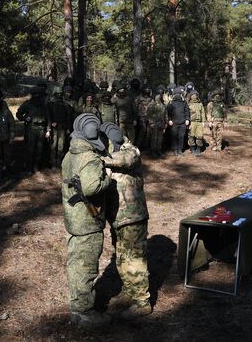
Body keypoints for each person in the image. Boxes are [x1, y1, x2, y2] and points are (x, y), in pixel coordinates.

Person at [61, 113, 111, 329]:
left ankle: (77, 307)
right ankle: (84, 312)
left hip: (73, 218)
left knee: (76, 264)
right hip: (88, 221)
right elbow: (91, 187)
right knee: (86, 266)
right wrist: (108, 178)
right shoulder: (89, 158)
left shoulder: (70, 153)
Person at [100, 122, 152, 320]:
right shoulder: (108, 154)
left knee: (135, 260)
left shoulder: (129, 151)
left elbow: (126, 160)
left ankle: (142, 302)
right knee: (122, 258)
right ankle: (130, 291)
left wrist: (101, 158)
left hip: (133, 217)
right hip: (117, 218)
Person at [16, 85, 50, 175]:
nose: (38, 97)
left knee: (39, 149)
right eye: (36, 94)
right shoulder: (27, 104)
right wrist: (25, 118)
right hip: (31, 129)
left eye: (39, 95)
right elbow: (18, 114)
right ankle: (28, 168)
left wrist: (48, 130)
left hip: (41, 129)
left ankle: (36, 167)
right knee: (30, 150)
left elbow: (48, 118)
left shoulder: (43, 105)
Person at [47, 86, 73, 168]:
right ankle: (53, 163)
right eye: (57, 94)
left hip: (62, 127)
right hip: (54, 128)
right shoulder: (50, 104)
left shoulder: (66, 105)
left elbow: (68, 117)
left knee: (61, 146)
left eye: (60, 94)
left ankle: (59, 162)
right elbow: (48, 116)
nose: (59, 95)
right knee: (53, 145)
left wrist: (68, 128)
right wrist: (50, 126)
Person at [167, 87, 190, 156]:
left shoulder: (184, 102)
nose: (178, 95)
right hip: (174, 123)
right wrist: (169, 120)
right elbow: (168, 113)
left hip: (182, 123)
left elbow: (187, 111)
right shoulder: (171, 103)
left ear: (181, 94)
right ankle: (175, 150)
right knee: (174, 136)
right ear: (174, 94)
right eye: (176, 94)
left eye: (179, 94)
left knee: (181, 137)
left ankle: (180, 150)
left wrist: (187, 119)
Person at [146, 90, 168, 157]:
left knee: (160, 139)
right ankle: (153, 151)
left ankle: (159, 151)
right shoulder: (151, 104)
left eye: (160, 95)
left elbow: (165, 114)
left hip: (161, 124)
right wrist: (151, 123)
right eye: (157, 95)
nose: (158, 96)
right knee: (154, 139)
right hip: (154, 124)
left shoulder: (163, 104)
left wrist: (166, 123)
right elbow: (149, 115)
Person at [187, 90, 207, 156]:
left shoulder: (200, 104)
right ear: (190, 96)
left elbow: (203, 113)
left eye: (195, 95)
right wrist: (188, 122)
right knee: (191, 136)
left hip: (199, 123)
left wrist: (203, 121)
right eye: (193, 95)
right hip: (192, 122)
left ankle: (198, 149)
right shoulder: (188, 104)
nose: (194, 96)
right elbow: (187, 114)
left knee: (200, 136)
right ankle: (192, 148)